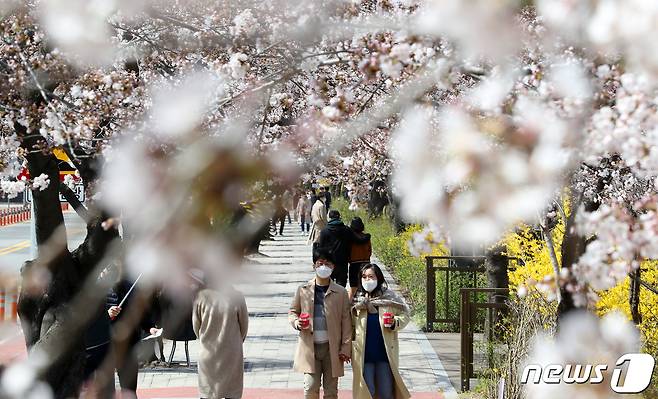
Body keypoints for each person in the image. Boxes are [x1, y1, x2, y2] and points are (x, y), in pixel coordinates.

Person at [289, 247, 352, 399]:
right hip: (310, 347)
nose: (324, 267)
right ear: (314, 266)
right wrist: (297, 322)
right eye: (320, 263)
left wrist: (345, 347)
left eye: (328, 263)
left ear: (333, 267)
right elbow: (292, 312)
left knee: (331, 391)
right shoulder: (303, 290)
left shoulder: (341, 292)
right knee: (310, 388)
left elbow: (346, 321)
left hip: (332, 348)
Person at [351, 264, 411, 399]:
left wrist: (395, 322)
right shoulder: (356, 300)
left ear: (378, 278)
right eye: (364, 277)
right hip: (364, 355)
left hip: (385, 354)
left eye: (371, 276)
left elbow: (405, 315)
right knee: (367, 391)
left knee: (386, 392)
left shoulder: (390, 297)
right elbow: (349, 325)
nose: (367, 280)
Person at [193, 277, 249, 399]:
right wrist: (237, 340)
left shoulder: (201, 297)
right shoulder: (237, 297)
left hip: (208, 350)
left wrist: (204, 337)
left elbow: (196, 325)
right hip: (231, 352)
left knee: (208, 391)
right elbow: (244, 325)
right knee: (232, 391)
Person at [316, 210, 371, 287]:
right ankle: (340, 298)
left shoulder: (324, 231)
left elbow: (321, 248)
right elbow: (359, 240)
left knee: (328, 284)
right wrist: (368, 236)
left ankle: (330, 298)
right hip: (343, 261)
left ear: (329, 218)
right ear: (339, 217)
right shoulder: (346, 229)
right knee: (341, 285)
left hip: (329, 262)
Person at [348, 217, 372, 299]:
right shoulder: (367, 237)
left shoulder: (350, 238)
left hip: (354, 263)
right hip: (365, 262)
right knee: (365, 284)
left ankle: (351, 303)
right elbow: (369, 250)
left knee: (353, 286)